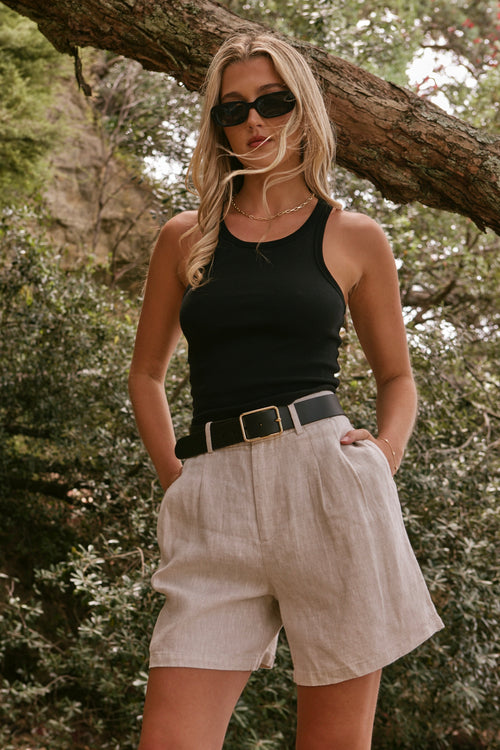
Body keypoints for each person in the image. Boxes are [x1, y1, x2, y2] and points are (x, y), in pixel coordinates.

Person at [128, 31, 444, 750]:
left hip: (328, 488)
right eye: (232, 111)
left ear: (305, 110)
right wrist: (177, 480)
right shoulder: (185, 237)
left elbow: (398, 376)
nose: (254, 123)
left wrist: (382, 458)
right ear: (216, 126)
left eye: (273, 103)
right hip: (213, 498)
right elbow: (145, 375)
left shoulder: (354, 236)